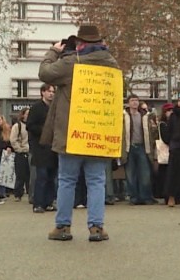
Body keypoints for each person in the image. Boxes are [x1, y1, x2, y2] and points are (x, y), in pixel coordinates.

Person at [39, 25, 116, 242]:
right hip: (98, 132)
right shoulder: (111, 64)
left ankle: (63, 226)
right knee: (96, 181)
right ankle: (96, 227)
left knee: (67, 180)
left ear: (79, 42)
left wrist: (54, 51)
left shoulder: (72, 62)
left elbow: (44, 73)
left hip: (72, 133)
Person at [26, 84, 57, 213]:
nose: (51, 94)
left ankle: (49, 202)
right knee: (41, 176)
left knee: (51, 177)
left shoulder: (55, 107)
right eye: (49, 91)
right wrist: (44, 131)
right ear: (42, 92)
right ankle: (38, 203)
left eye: (53, 92)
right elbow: (30, 125)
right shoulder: (36, 107)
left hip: (53, 147)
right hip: (40, 147)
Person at [121, 94, 154, 205]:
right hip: (129, 148)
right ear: (128, 103)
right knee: (130, 174)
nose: (135, 102)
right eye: (132, 100)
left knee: (145, 173)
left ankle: (145, 197)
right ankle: (134, 197)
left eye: (136, 100)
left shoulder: (145, 115)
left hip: (142, 147)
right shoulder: (123, 116)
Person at [9, 109, 31, 202]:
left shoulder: (32, 125)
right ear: (23, 115)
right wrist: (19, 149)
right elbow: (13, 140)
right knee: (20, 175)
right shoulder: (17, 126)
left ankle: (31, 194)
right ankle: (18, 194)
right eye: (27, 114)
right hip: (21, 153)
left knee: (30, 175)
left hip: (30, 152)